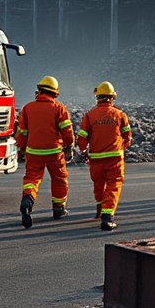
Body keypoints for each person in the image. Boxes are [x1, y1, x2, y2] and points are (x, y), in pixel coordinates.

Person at [15, 75, 74, 229]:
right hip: (54, 152)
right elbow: (67, 130)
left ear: (39, 90)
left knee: (32, 179)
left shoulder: (27, 108)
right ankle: (58, 209)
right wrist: (69, 146)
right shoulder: (59, 108)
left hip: (33, 153)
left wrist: (20, 148)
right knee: (59, 179)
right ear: (54, 93)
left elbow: (22, 132)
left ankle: (27, 200)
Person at [76, 81, 132, 232]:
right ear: (112, 97)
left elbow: (82, 139)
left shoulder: (89, 116)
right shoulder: (120, 115)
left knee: (99, 185)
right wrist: (121, 147)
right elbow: (127, 136)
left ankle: (100, 211)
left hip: (96, 158)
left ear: (97, 97)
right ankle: (107, 216)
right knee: (113, 185)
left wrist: (84, 151)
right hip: (114, 157)